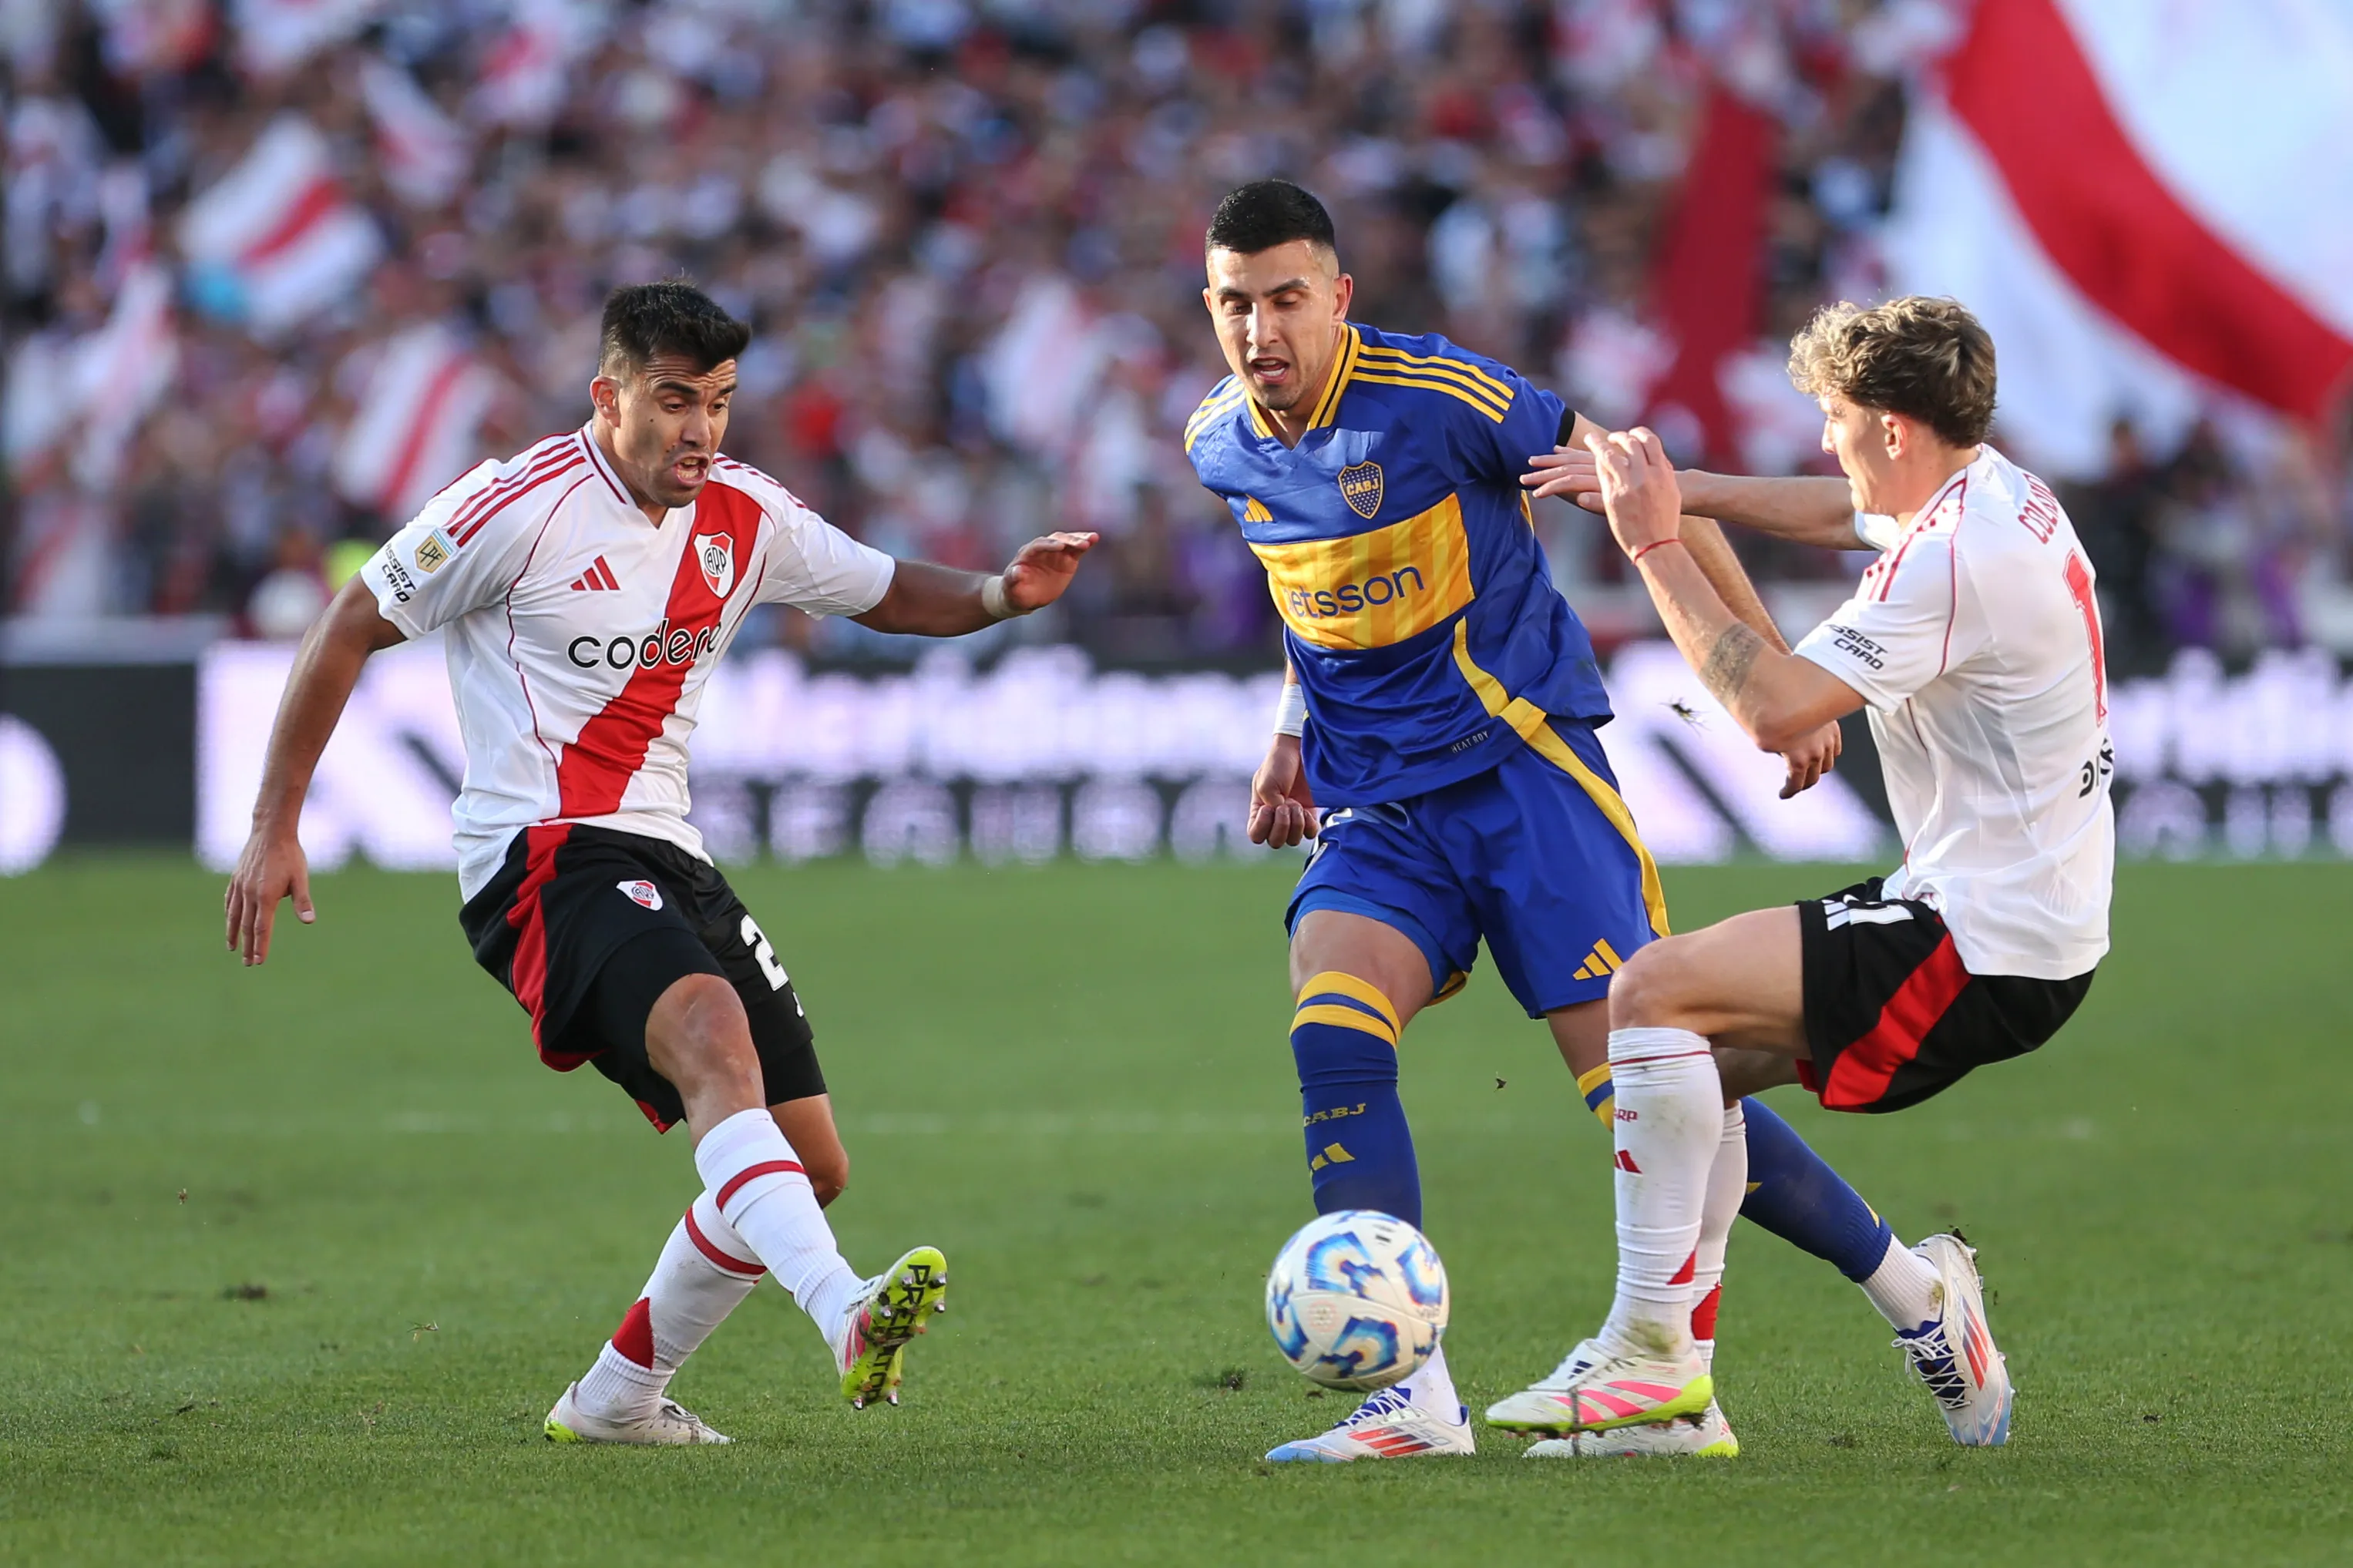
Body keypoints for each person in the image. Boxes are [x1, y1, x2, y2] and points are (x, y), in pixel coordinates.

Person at [223, 280, 1098, 1445]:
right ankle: (844, 1310)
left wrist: (1001, 593)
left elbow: (882, 590)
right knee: (708, 1034)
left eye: (720, 404)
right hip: (538, 854)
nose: (700, 430)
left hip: (666, 845)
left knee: (808, 1160)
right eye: (674, 400)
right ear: (611, 394)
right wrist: (276, 820)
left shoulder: (748, 513)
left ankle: (617, 1399)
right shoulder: (514, 507)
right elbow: (348, 622)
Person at [1187, 180, 1928, 1462]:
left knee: (1654, 1103)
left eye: (1286, 299)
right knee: (1333, 1026)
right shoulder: (1219, 444)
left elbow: (1654, 491)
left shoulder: (1445, 400)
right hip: (1382, 804)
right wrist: (1293, 733)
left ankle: (1913, 1293)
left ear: (1338, 297)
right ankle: (1410, 1397)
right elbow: (1315, 598)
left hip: (1529, 780)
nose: (1261, 330)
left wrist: (1770, 673)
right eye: (1234, 304)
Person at [1491, 295, 2112, 1449]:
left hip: (1982, 937)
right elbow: (1840, 510)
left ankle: (1648, 1353)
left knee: (1650, 994)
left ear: (1890, 426)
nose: (1825, 440)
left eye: (1833, 417)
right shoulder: (1989, 491)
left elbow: (1776, 714)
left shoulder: (1956, 559)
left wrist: (1653, 542)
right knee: (1691, 1066)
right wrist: (1693, 489)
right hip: (2019, 917)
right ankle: (1763, 1362)